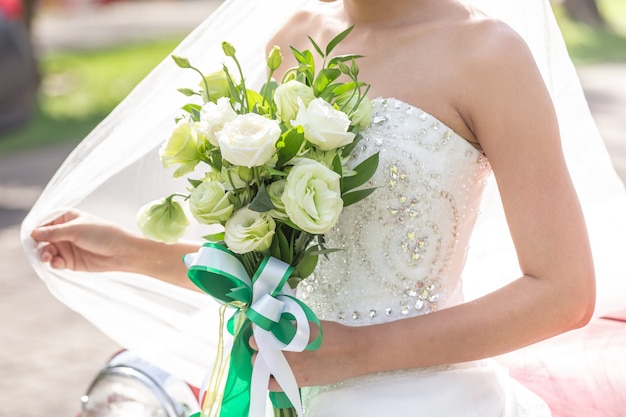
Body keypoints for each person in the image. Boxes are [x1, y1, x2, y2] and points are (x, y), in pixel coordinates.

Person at [24, 0, 626, 415]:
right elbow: (274, 275)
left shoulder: (486, 55)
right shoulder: (294, 40)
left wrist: (357, 353)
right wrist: (137, 253)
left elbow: (562, 292)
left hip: (417, 396)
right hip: (279, 390)